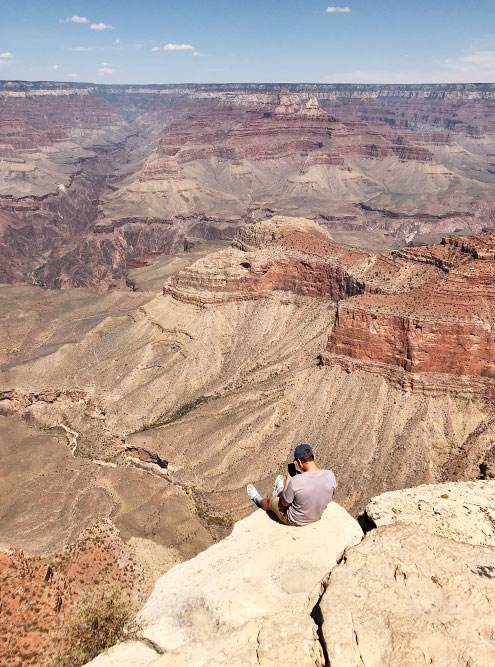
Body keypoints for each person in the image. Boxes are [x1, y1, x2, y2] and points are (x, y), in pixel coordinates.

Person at [246, 444, 337, 526]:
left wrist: (288, 480)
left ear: (299, 462)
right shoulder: (330, 475)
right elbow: (319, 488)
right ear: (314, 456)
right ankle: (280, 490)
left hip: (295, 519)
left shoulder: (296, 481)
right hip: (316, 516)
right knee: (297, 494)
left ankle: (258, 500)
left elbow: (285, 504)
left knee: (271, 500)